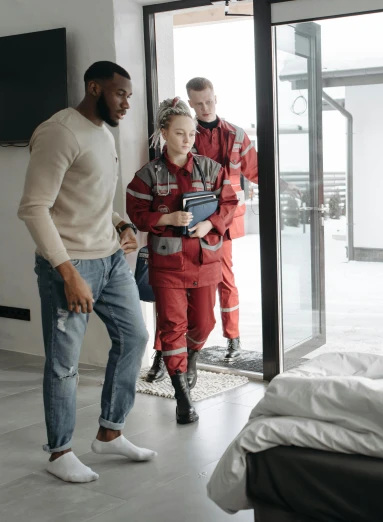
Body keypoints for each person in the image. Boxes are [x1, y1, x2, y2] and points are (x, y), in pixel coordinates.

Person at [17, 61, 156, 484]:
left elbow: (89, 197)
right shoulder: (59, 132)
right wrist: (68, 274)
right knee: (64, 364)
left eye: (129, 95)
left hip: (111, 259)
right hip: (70, 264)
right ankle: (59, 452)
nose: (127, 103)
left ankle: (110, 433)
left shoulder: (102, 132)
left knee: (134, 337)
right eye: (120, 94)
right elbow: (34, 207)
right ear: (94, 88)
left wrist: (120, 224)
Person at [143, 76, 300, 382]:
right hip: (185, 223)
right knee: (172, 292)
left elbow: (256, 170)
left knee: (226, 280)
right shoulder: (185, 131)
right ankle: (163, 353)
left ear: (216, 98)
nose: (204, 107)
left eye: (209, 101)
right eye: (198, 103)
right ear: (190, 102)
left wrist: (283, 185)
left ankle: (232, 338)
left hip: (222, 222)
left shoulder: (237, 135)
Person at [127, 97, 238, 424]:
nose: (188, 139)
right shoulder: (148, 175)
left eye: (191, 133)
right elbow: (136, 213)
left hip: (205, 261)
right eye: (180, 133)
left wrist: (211, 223)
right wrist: (166, 219)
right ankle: (182, 395)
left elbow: (228, 204)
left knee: (203, 323)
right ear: (164, 133)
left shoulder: (211, 170)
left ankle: (191, 356)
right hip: (168, 266)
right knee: (172, 326)